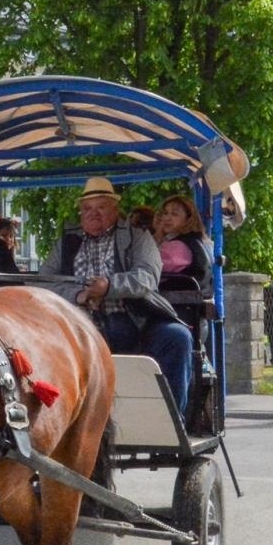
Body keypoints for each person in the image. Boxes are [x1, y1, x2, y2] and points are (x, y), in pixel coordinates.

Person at [41, 176, 194, 415]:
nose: (94, 213)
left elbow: (147, 277)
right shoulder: (67, 242)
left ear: (115, 209)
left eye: (101, 207)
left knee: (178, 337)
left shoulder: (137, 237)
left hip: (132, 319)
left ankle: (171, 423)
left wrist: (110, 286)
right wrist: (78, 295)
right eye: (87, 208)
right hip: (78, 323)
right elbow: (44, 281)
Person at [153, 194, 212, 293]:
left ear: (188, 218)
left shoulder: (177, 246)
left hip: (177, 301)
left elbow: (147, 265)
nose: (167, 218)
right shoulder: (202, 241)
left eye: (174, 214)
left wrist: (158, 234)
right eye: (165, 213)